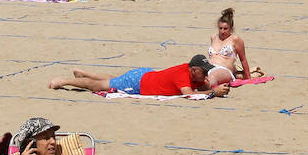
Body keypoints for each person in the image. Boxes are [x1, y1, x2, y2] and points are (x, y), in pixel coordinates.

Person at [49, 55, 226, 97]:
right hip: (139, 83)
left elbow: (201, 85)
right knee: (99, 86)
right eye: (203, 71)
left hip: (145, 75)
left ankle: (84, 73)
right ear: (193, 70)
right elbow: (189, 94)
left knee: (113, 78)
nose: (205, 74)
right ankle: (64, 81)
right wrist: (213, 92)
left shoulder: (190, 72)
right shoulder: (182, 76)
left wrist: (207, 84)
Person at [208, 7, 254, 79]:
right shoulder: (213, 37)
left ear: (231, 28)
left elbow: (243, 59)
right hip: (208, 67)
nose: (222, 31)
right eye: (220, 28)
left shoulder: (235, 39)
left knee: (212, 77)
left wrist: (248, 77)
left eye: (225, 29)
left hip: (223, 70)